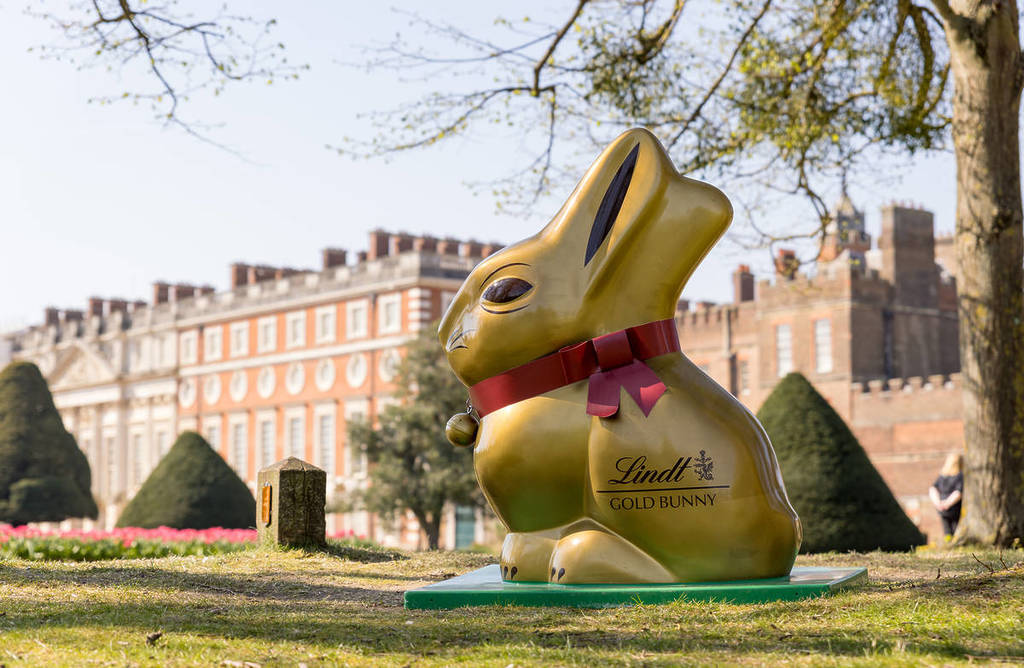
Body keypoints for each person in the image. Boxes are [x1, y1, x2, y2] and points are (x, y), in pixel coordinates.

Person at [929, 453, 963, 540]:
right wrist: (947, 504)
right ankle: (953, 542)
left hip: (941, 507)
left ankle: (948, 541)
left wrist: (938, 503)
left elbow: (933, 489)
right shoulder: (959, 475)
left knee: (946, 527)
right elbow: (958, 492)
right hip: (954, 507)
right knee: (955, 527)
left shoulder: (942, 476)